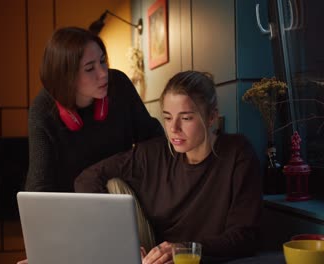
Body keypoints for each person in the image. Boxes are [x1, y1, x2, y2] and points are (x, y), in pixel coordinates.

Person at [75, 71, 263, 264]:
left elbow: (244, 236)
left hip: (203, 259)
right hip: (154, 259)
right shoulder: (153, 153)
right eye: (167, 117)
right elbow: (87, 178)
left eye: (186, 118)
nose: (174, 128)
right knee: (113, 183)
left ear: (211, 117)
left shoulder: (238, 153)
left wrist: (184, 250)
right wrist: (120, 240)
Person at [24, 27, 163, 192]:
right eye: (90, 68)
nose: (103, 73)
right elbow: (39, 186)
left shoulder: (118, 84)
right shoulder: (43, 110)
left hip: (121, 195)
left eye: (103, 61)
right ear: (65, 76)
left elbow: (155, 140)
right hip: (73, 206)